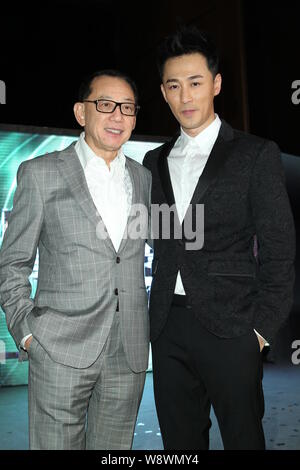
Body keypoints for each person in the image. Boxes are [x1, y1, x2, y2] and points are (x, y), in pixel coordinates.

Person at [143, 26, 295, 450]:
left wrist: (261, 331)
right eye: (174, 86)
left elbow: (280, 250)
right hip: (168, 327)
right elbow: (156, 238)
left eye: (195, 83)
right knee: (180, 446)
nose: (185, 96)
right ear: (163, 92)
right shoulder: (153, 162)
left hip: (233, 329)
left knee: (244, 440)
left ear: (216, 83)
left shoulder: (255, 154)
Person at [0, 69, 151, 450]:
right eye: (105, 105)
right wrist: (28, 332)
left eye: (128, 108)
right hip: (59, 349)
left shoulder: (145, 179)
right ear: (81, 113)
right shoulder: (40, 174)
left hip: (128, 352)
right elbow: (12, 261)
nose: (118, 116)